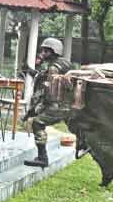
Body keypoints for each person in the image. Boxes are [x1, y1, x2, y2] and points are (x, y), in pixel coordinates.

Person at [23, 38, 74, 167]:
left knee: (37, 123)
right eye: (43, 50)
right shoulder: (64, 63)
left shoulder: (54, 68)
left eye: (46, 51)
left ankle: (42, 158)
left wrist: (37, 107)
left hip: (59, 105)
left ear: (54, 51)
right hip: (68, 104)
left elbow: (50, 92)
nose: (43, 53)